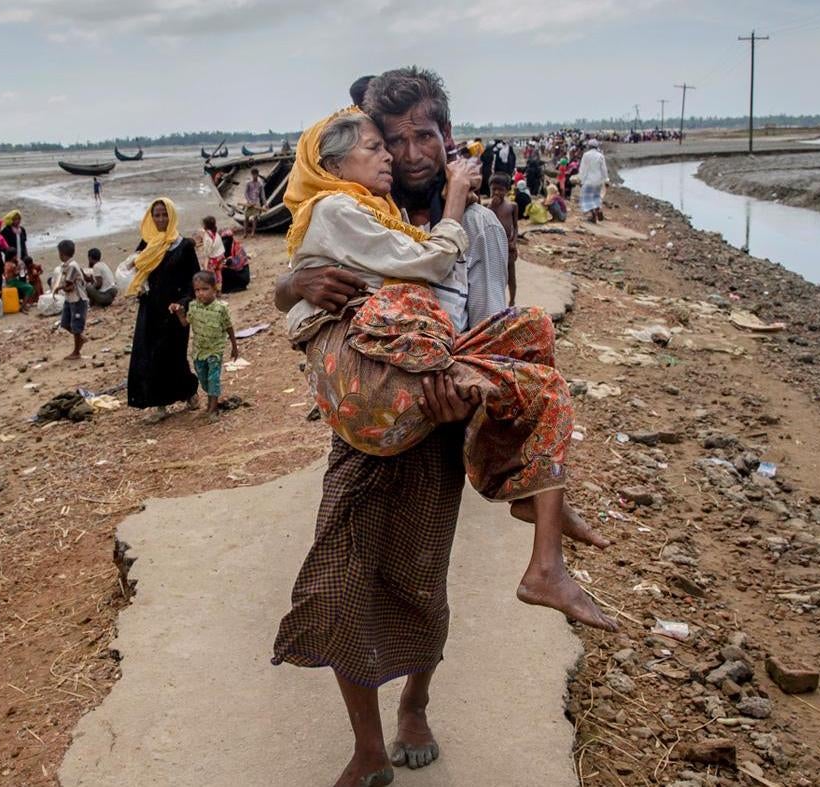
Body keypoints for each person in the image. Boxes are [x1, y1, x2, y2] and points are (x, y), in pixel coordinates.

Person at [272, 68, 608, 787]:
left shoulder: (477, 226)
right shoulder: (359, 207)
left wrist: (467, 394)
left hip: (437, 428)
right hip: (364, 429)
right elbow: (297, 275)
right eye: (394, 138)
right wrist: (294, 285)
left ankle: (416, 703)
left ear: (448, 139)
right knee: (337, 581)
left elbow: (487, 322)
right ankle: (367, 749)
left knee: (418, 582)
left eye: (426, 134)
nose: (410, 150)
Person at [125, 198, 202, 422]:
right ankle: (159, 405)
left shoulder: (184, 245)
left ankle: (189, 391)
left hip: (175, 310)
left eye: (164, 215)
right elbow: (138, 271)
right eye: (156, 215)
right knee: (151, 355)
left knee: (174, 355)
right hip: (150, 309)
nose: (160, 219)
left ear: (171, 216)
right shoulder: (146, 244)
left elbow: (194, 279)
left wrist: (185, 302)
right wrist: (137, 287)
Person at [170, 270, 239, 422]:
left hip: (215, 350)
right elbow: (185, 323)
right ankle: (211, 400)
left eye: (205, 289)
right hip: (199, 351)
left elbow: (229, 327)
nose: (201, 293)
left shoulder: (221, 308)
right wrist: (180, 312)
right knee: (204, 379)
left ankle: (213, 409)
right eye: (197, 290)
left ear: (215, 289)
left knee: (213, 378)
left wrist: (234, 346)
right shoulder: (193, 307)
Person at [487, 174, 519, 306]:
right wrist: (491, 207)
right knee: (496, 276)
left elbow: (516, 227)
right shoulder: (488, 208)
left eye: (500, 189)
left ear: (507, 190)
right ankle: (497, 301)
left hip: (508, 246)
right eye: (494, 189)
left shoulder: (512, 206)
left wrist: (514, 241)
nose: (497, 192)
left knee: (511, 276)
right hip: (494, 246)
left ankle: (512, 300)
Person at [56, 239, 88, 360]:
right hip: (70, 299)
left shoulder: (72, 266)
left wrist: (58, 288)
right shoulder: (68, 265)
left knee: (76, 325)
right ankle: (80, 338)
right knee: (65, 323)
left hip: (78, 299)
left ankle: (76, 351)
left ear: (62, 253)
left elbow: (70, 286)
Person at [1, 210, 41, 299]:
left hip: (22, 257)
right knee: (12, 276)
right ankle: (15, 297)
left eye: (19, 219)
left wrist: (26, 255)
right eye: (15, 219)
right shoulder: (6, 230)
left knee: (23, 275)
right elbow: (3, 245)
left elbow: (24, 244)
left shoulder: (22, 230)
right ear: (11, 220)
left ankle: (23, 296)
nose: (18, 221)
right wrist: (10, 256)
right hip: (11, 257)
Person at [577, 139, 608, 222]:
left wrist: (581, 179)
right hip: (598, 180)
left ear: (589, 146)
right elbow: (604, 169)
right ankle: (598, 210)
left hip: (588, 180)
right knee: (596, 196)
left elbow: (583, 169)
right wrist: (606, 180)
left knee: (586, 198)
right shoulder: (600, 156)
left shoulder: (586, 155)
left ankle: (593, 214)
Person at [196, 215, 226, 291]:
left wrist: (205, 267)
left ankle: (214, 291)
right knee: (218, 273)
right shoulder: (216, 233)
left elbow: (207, 254)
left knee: (210, 277)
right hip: (220, 256)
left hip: (214, 259)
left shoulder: (207, 236)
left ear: (205, 225)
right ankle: (219, 289)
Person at [220, 229, 251, 293]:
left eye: (226, 239)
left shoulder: (238, 247)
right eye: (223, 239)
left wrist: (229, 261)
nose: (224, 241)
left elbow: (238, 264)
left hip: (242, 275)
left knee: (226, 270)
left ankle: (239, 287)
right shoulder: (223, 250)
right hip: (234, 272)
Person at [242, 168, 266, 237]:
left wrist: (265, 204)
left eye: (256, 174)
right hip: (249, 203)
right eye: (253, 174)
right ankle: (245, 233)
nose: (255, 176)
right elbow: (246, 193)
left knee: (255, 218)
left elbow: (262, 195)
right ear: (252, 175)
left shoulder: (260, 183)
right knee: (246, 217)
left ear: (258, 175)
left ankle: (253, 233)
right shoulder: (248, 183)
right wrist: (249, 201)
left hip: (256, 202)